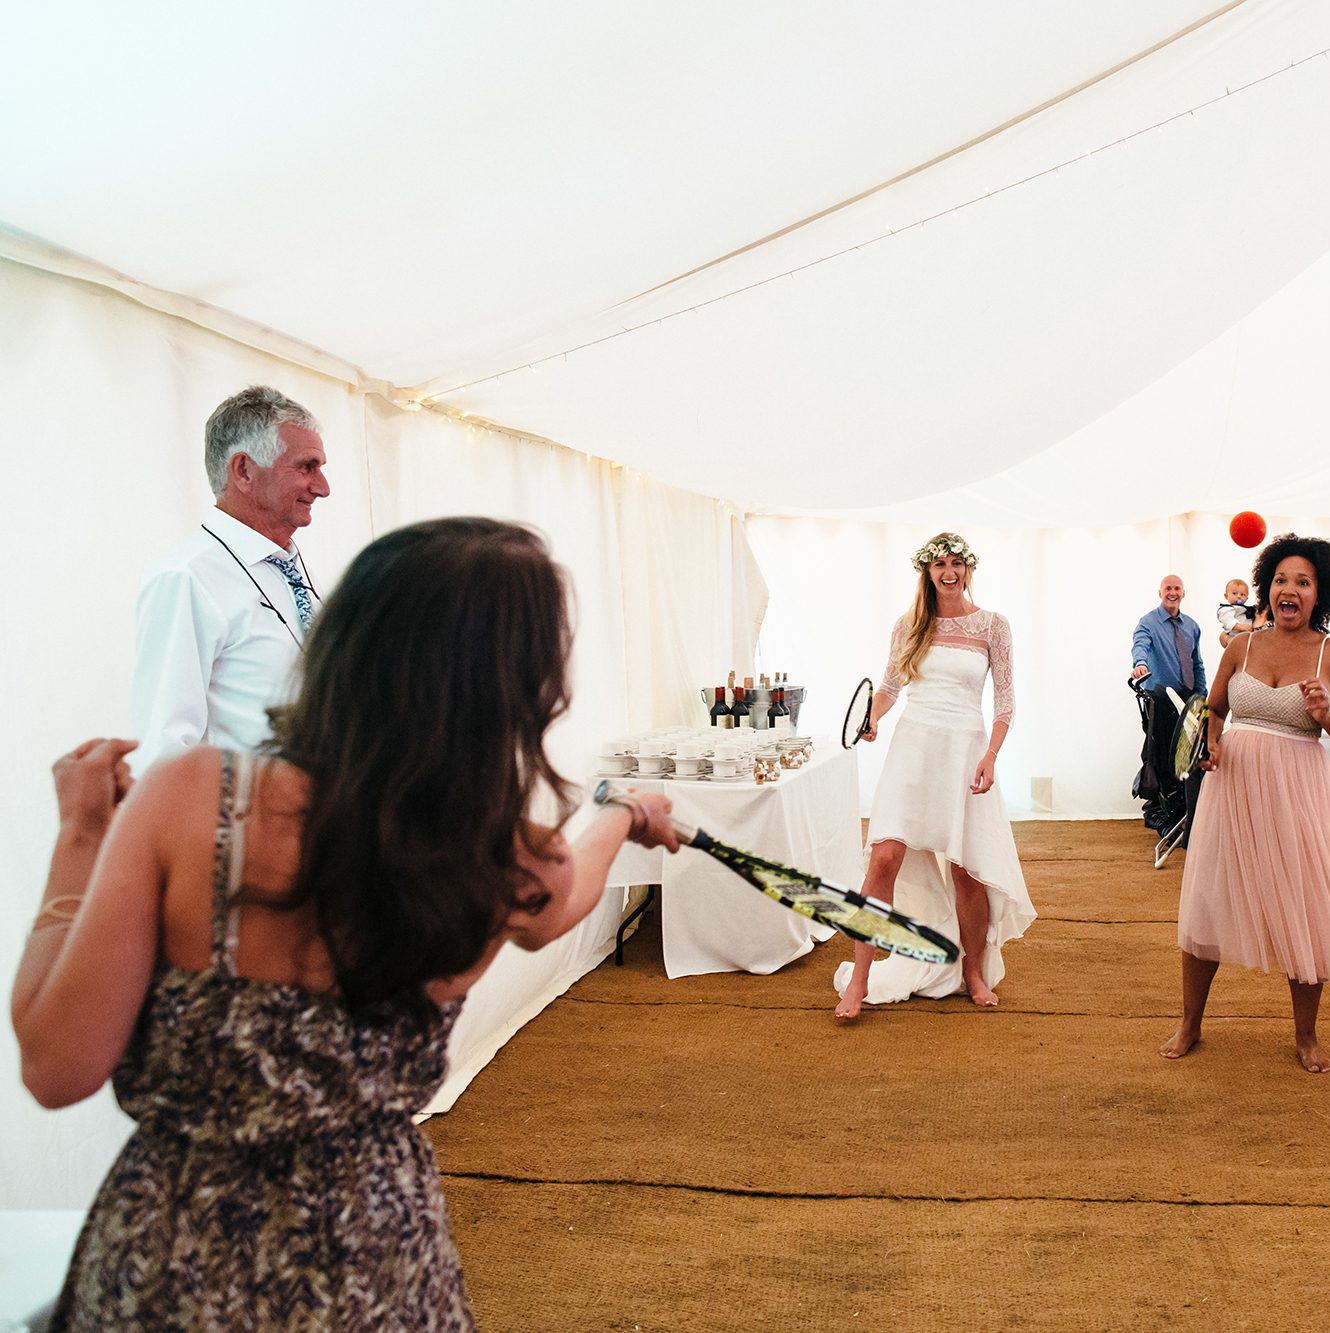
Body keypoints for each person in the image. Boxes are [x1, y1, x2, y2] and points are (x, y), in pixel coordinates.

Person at [14, 518, 680, 1329]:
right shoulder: (509, 861)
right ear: (518, 689)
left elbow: (57, 1066)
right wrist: (623, 813)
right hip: (378, 1260)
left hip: (177, 1259)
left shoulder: (197, 797)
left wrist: (82, 832)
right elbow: (565, 905)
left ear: (345, 638)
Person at [1159, 534, 1330, 1074]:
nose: (1290, 589)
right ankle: (1190, 1023)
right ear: (1267, 588)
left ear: (1319, 594)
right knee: (1211, 899)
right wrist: (1210, 744)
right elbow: (1213, 709)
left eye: (1302, 582)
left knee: (1303, 904)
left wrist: (1326, 714)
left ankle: (1305, 1036)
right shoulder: (1241, 646)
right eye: (1281, 579)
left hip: (1299, 790)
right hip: (1232, 788)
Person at [836, 532, 1035, 1019]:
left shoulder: (993, 626)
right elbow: (888, 687)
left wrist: (991, 755)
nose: (949, 572)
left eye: (956, 563)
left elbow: (1006, 702)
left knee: (967, 869)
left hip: (966, 749)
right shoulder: (910, 625)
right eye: (939, 564)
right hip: (913, 748)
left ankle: (972, 971)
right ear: (926, 571)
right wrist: (874, 716)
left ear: (969, 569)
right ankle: (859, 979)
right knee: (883, 859)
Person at [131, 386, 334, 774]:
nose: (323, 487)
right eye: (307, 467)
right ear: (244, 470)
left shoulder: (293, 571)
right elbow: (164, 750)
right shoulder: (185, 577)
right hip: (252, 826)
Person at [1130, 574, 1208, 828]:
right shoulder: (1149, 623)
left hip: (1187, 698)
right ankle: (1158, 807)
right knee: (1161, 752)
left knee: (1189, 754)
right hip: (1161, 698)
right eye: (1168, 589)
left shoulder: (1192, 626)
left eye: (1177, 589)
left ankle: (1185, 808)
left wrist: (1202, 698)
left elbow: (1197, 664)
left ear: (1183, 593)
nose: (1172, 593)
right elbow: (1140, 645)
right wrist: (1140, 664)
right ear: (1160, 593)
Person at [1217, 577, 1254, 650]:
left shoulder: (1246, 609)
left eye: (1243, 594)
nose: (1239, 596)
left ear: (1246, 598)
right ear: (1226, 596)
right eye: (1234, 593)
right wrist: (1239, 626)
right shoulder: (1226, 608)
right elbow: (1227, 619)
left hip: (1247, 636)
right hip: (1234, 634)